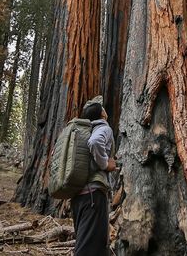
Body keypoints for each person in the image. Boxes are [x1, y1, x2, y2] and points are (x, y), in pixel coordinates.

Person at [71, 95, 116, 256]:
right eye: (103, 108)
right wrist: (105, 164)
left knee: (91, 243)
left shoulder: (82, 131)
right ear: (102, 114)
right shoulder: (103, 128)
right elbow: (95, 142)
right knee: (88, 247)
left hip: (78, 195)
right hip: (93, 195)